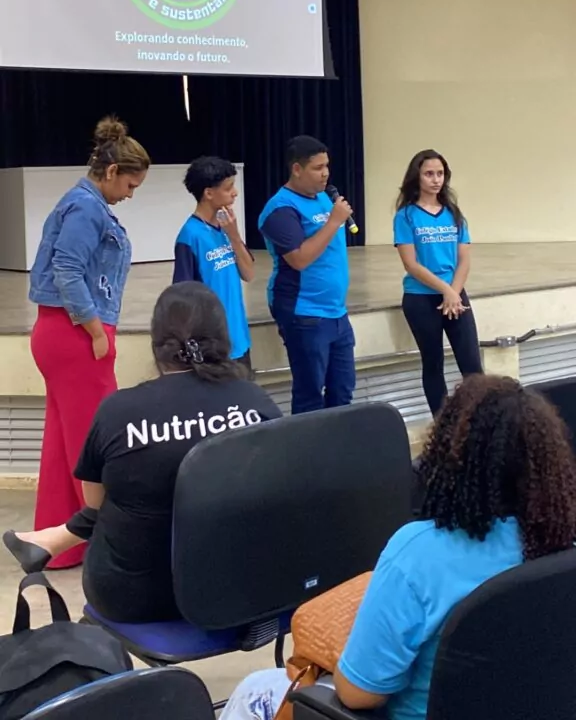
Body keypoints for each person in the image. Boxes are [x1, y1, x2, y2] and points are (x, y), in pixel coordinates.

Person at [217, 374, 576, 720]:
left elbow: (358, 696)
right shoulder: (562, 541)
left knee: (255, 689)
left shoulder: (417, 555)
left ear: (448, 460)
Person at [4, 282, 282, 622]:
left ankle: (54, 539)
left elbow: (96, 504)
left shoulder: (118, 412)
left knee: (119, 498)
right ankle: (53, 539)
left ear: (157, 345)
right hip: (237, 589)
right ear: (224, 339)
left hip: (135, 597)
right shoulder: (257, 402)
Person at [28, 116, 150, 569]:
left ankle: (61, 545)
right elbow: (67, 269)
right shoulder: (86, 208)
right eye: (131, 185)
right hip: (76, 333)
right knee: (96, 444)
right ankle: (107, 545)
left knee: (67, 443)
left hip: (64, 332)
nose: (130, 194)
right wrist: (96, 330)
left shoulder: (84, 204)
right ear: (112, 171)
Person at [258, 135, 355, 415]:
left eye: (327, 166)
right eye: (317, 167)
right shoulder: (280, 209)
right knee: (310, 392)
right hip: (305, 312)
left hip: (336, 311)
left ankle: (337, 449)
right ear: (297, 169)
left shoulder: (325, 198)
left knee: (343, 388)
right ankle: (309, 455)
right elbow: (299, 258)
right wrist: (335, 220)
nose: (325, 173)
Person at [394, 149, 483, 417]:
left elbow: (464, 261)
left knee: (472, 366)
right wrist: (445, 291)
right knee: (433, 364)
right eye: (429, 174)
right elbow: (411, 264)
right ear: (417, 177)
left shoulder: (454, 214)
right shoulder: (406, 216)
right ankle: (443, 424)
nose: (435, 179)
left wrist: (453, 293)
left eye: (440, 174)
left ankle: (480, 421)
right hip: (421, 298)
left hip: (454, 296)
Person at [173, 157, 254, 373]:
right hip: (213, 348)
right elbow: (183, 299)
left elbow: (249, 273)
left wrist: (235, 237)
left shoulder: (227, 228)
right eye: (228, 188)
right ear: (209, 193)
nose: (235, 193)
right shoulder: (189, 237)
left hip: (239, 339)